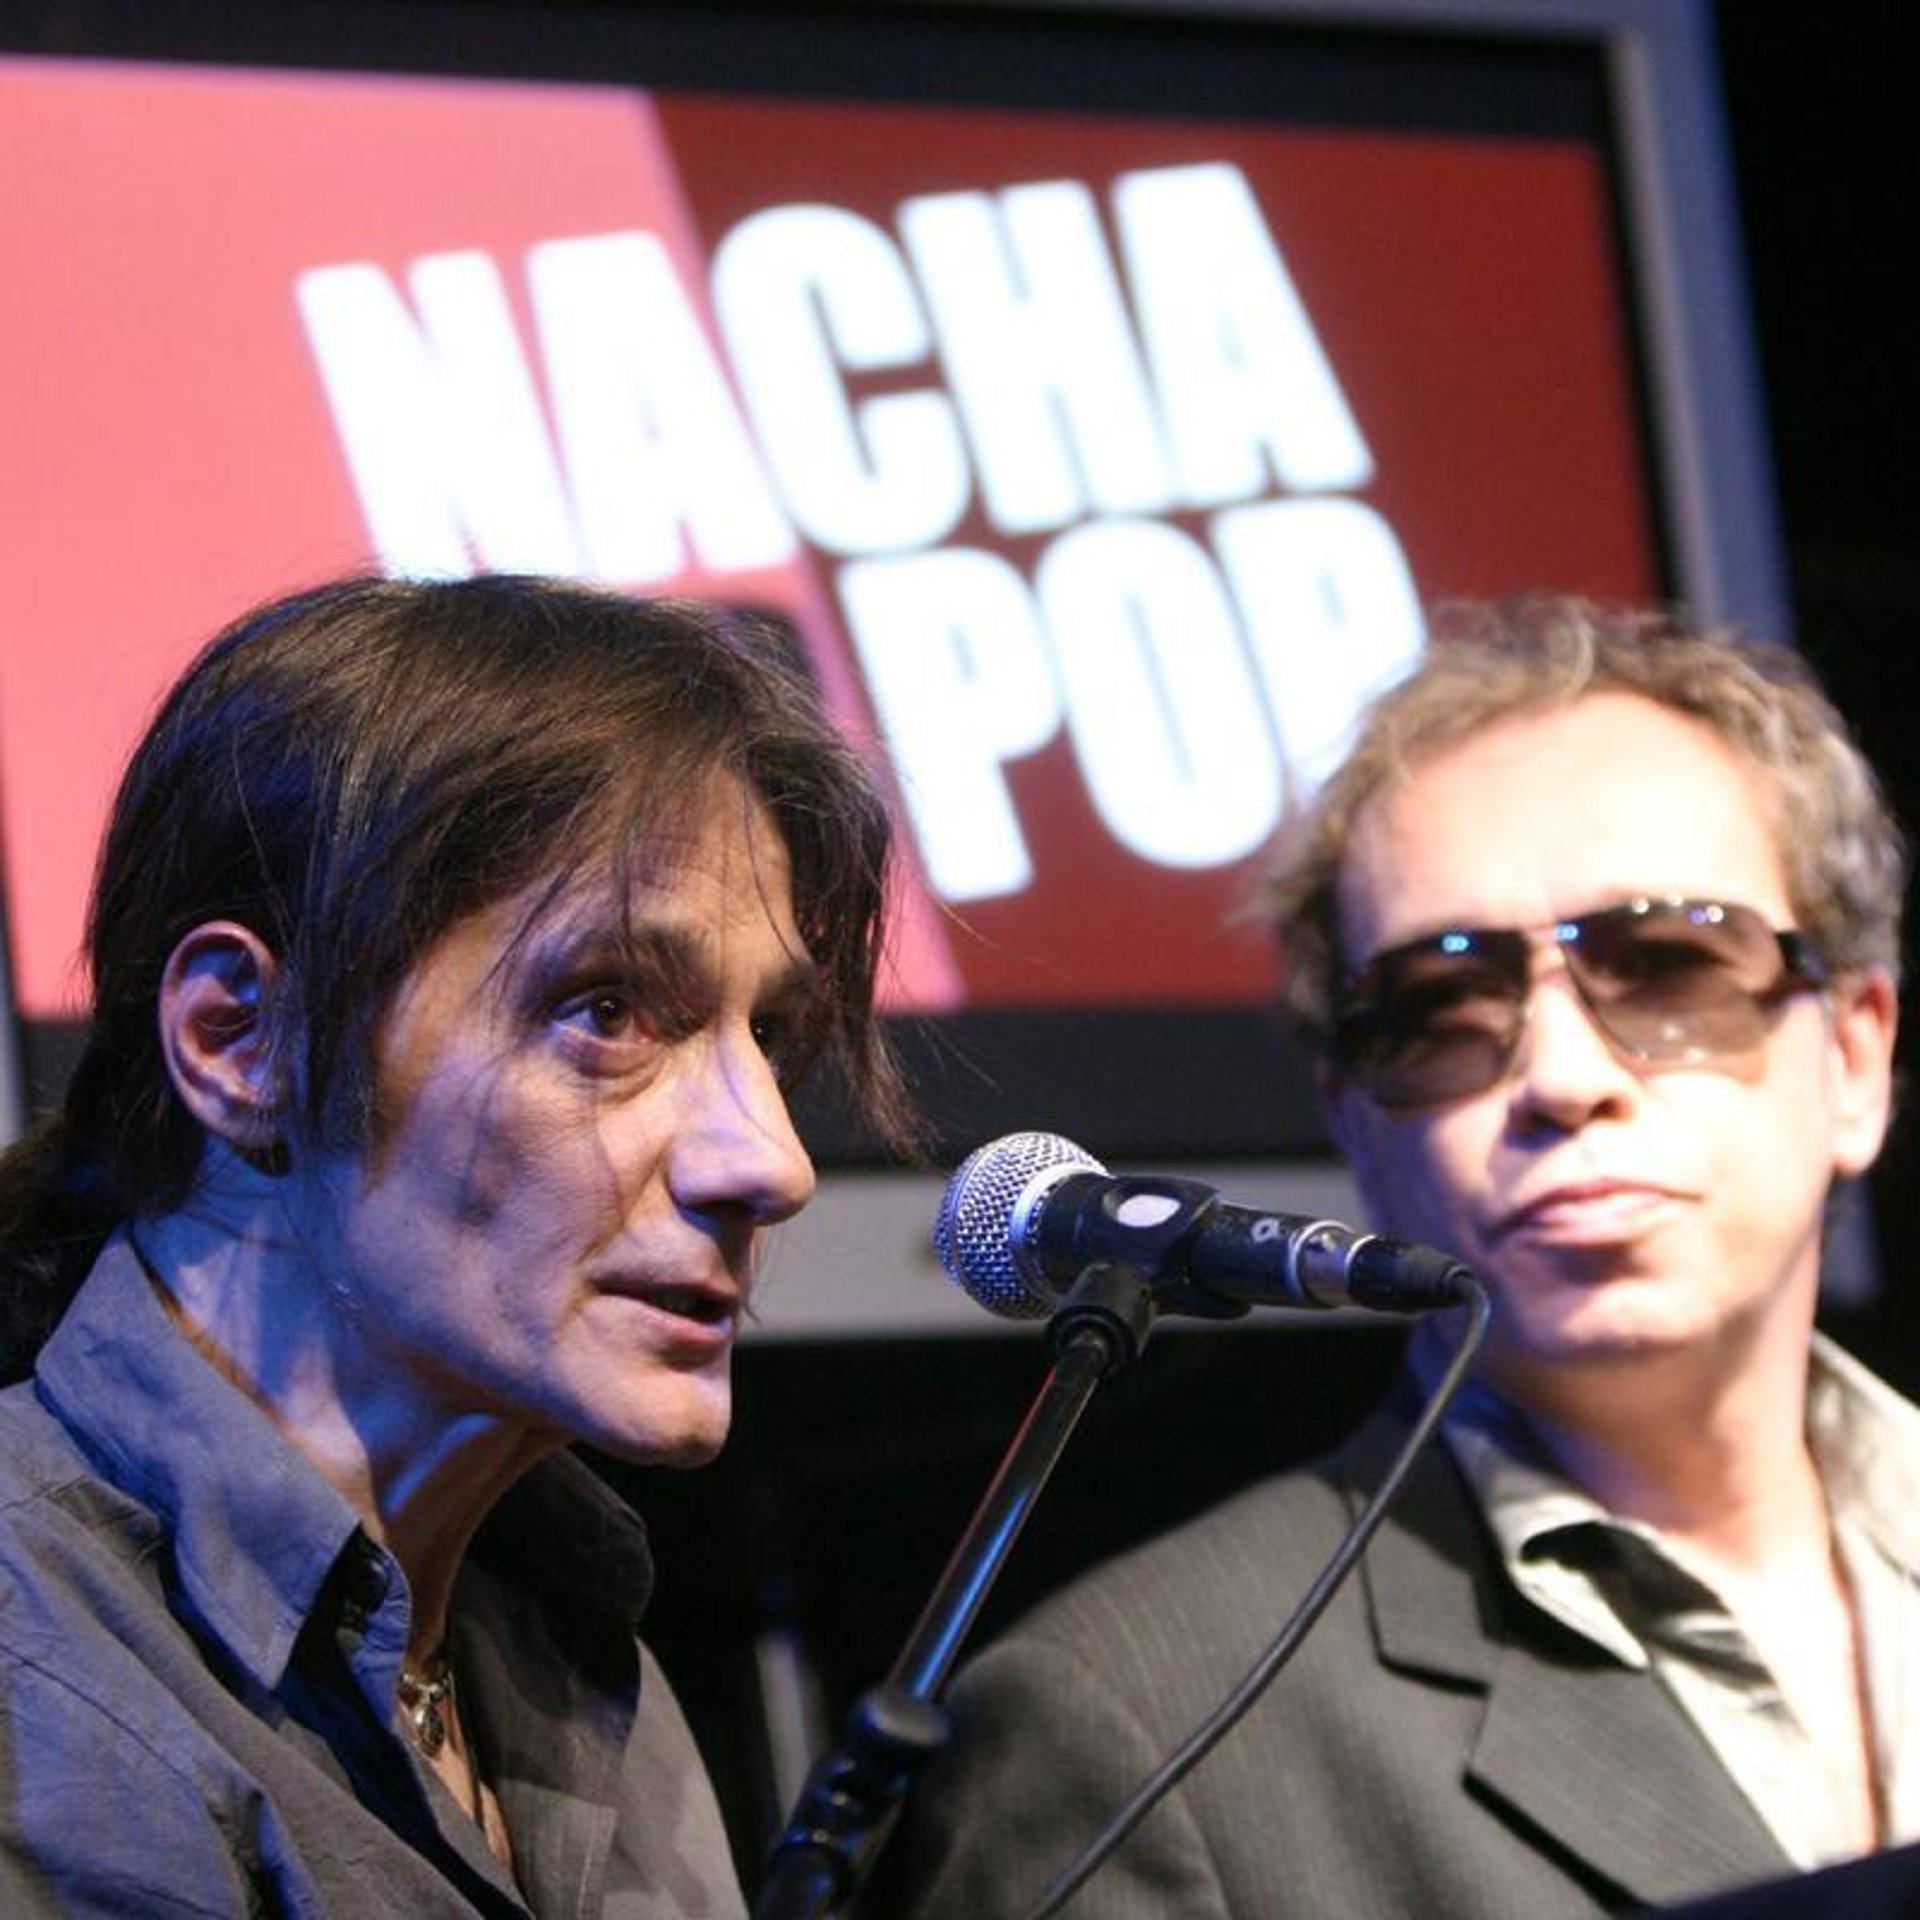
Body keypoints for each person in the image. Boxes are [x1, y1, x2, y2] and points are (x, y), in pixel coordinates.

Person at [885, 597, 1918, 1916]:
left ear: (1855, 1057)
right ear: (1355, 1124)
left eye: (1667, 965)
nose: (1562, 1077)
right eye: (1440, 1008)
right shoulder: (1132, 1729)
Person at [0, 575, 908, 1916]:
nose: (771, 1161)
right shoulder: (33, 1666)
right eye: (607, 1010)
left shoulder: (569, 1661)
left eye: (766, 1033)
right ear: (237, 1042)